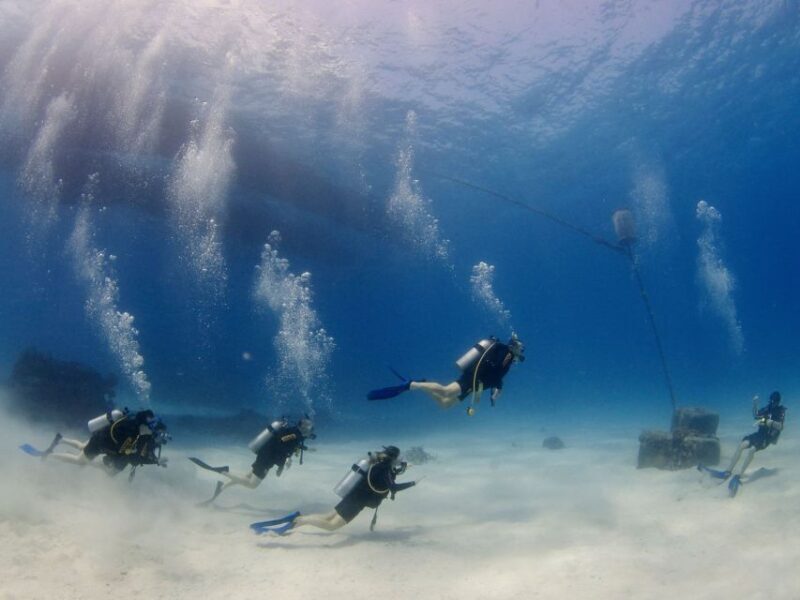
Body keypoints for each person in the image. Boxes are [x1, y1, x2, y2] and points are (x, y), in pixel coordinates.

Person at [250, 445, 416, 535]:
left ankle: (298, 518)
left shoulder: (378, 464)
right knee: (332, 526)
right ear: (393, 458)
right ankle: (298, 521)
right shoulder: (385, 469)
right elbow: (392, 486)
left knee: (327, 516)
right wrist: (413, 483)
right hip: (357, 502)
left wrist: (401, 469)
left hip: (352, 495)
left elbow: (387, 478)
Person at [367, 333, 525, 415]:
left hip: (475, 386)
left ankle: (422, 385)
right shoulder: (504, 352)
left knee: (445, 404)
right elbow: (492, 368)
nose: (522, 352)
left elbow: (498, 377)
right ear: (513, 346)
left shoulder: (508, 359)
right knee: (445, 391)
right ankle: (413, 384)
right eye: (520, 348)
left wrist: (495, 393)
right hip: (472, 378)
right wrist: (491, 386)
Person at [190, 416, 315, 504]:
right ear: (304, 428)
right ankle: (223, 471)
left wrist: (304, 448)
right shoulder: (294, 434)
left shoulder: (295, 434)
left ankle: (222, 488)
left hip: (266, 456)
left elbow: (291, 443)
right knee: (252, 484)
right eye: (309, 429)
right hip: (266, 458)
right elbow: (281, 442)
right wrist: (287, 458)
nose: (311, 432)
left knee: (246, 477)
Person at [700, 391, 786, 497]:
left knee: (751, 450)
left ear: (778, 402)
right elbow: (756, 416)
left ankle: (739, 475)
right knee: (742, 445)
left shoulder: (780, 411)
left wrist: (771, 423)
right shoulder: (767, 409)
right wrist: (755, 404)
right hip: (758, 434)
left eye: (775, 402)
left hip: (766, 439)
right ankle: (728, 471)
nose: (773, 404)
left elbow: (781, 426)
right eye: (772, 401)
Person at [43, 409, 170, 476]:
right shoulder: (131, 432)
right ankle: (48, 455)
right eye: (152, 429)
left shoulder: (137, 430)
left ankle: (61, 439)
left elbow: (130, 452)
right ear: (145, 425)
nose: (153, 433)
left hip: (101, 436)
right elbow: (126, 452)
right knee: (79, 461)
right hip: (99, 443)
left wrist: (155, 460)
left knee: (82, 446)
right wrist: (152, 460)